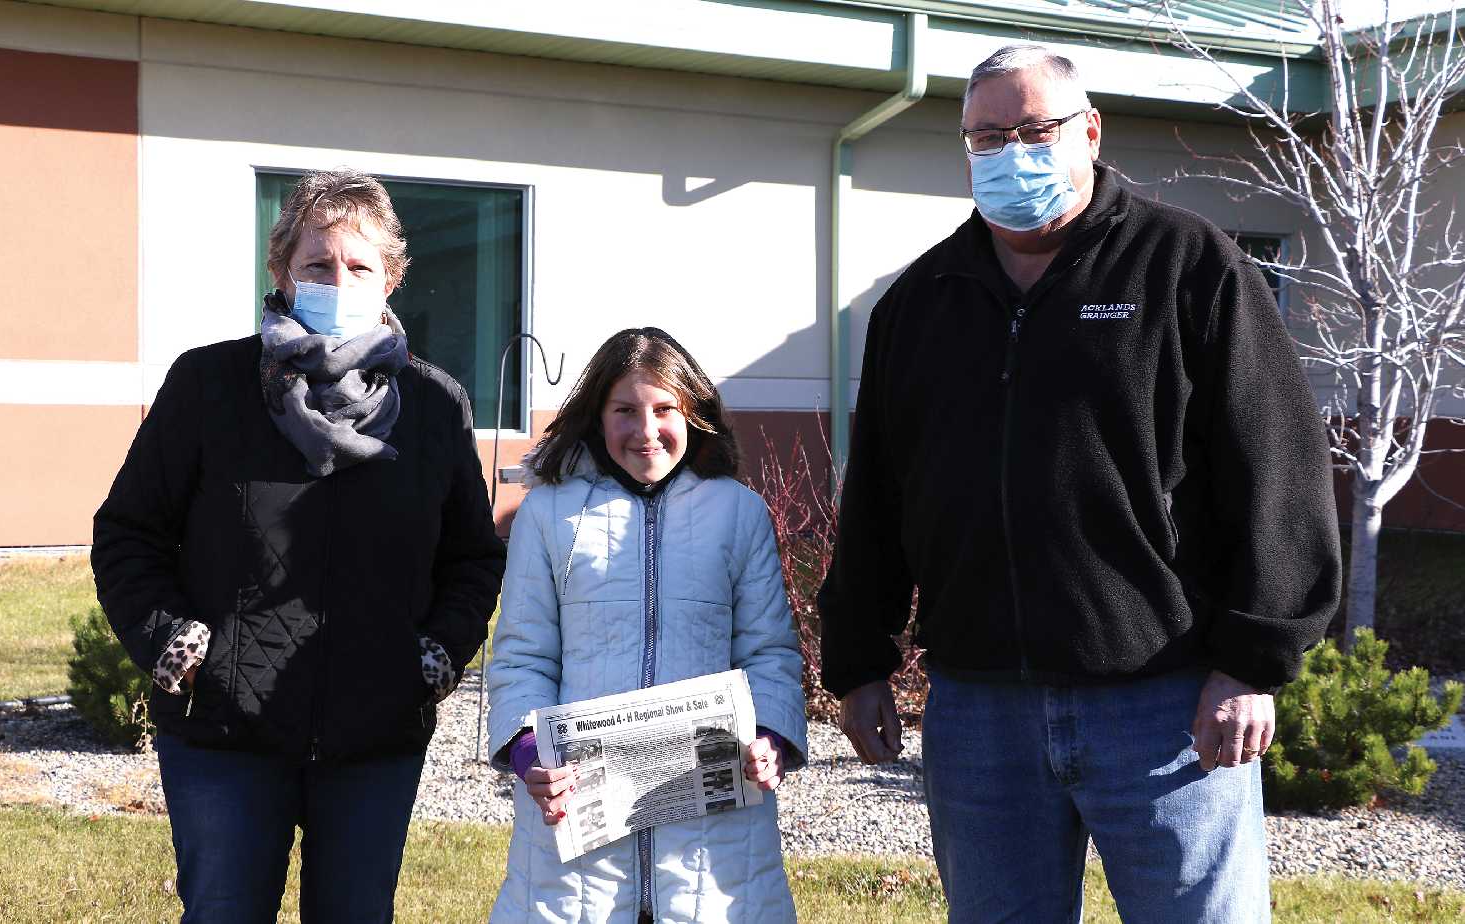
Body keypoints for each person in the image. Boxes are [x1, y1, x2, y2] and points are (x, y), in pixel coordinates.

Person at [817, 45, 1342, 923]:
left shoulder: (1187, 268)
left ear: (1090, 132)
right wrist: (859, 661)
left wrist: (1251, 662)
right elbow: (878, 496)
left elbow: (1278, 472)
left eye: (1033, 130)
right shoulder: (922, 302)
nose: (1009, 153)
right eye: (986, 137)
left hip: (1166, 708)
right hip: (981, 715)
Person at [91, 168, 506, 923]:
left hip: (375, 734)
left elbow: (471, 559)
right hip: (224, 733)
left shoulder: (435, 406)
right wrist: (176, 643)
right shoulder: (207, 385)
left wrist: (433, 657)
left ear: (391, 280)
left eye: (359, 266)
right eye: (317, 264)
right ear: (282, 269)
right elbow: (128, 533)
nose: (337, 280)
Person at [485, 327, 808, 923]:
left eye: (665, 409)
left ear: (695, 413)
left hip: (714, 841)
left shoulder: (739, 513)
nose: (646, 430)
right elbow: (522, 657)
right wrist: (531, 750)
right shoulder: (548, 513)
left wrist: (770, 736)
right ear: (596, 415)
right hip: (578, 846)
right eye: (625, 410)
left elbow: (770, 655)